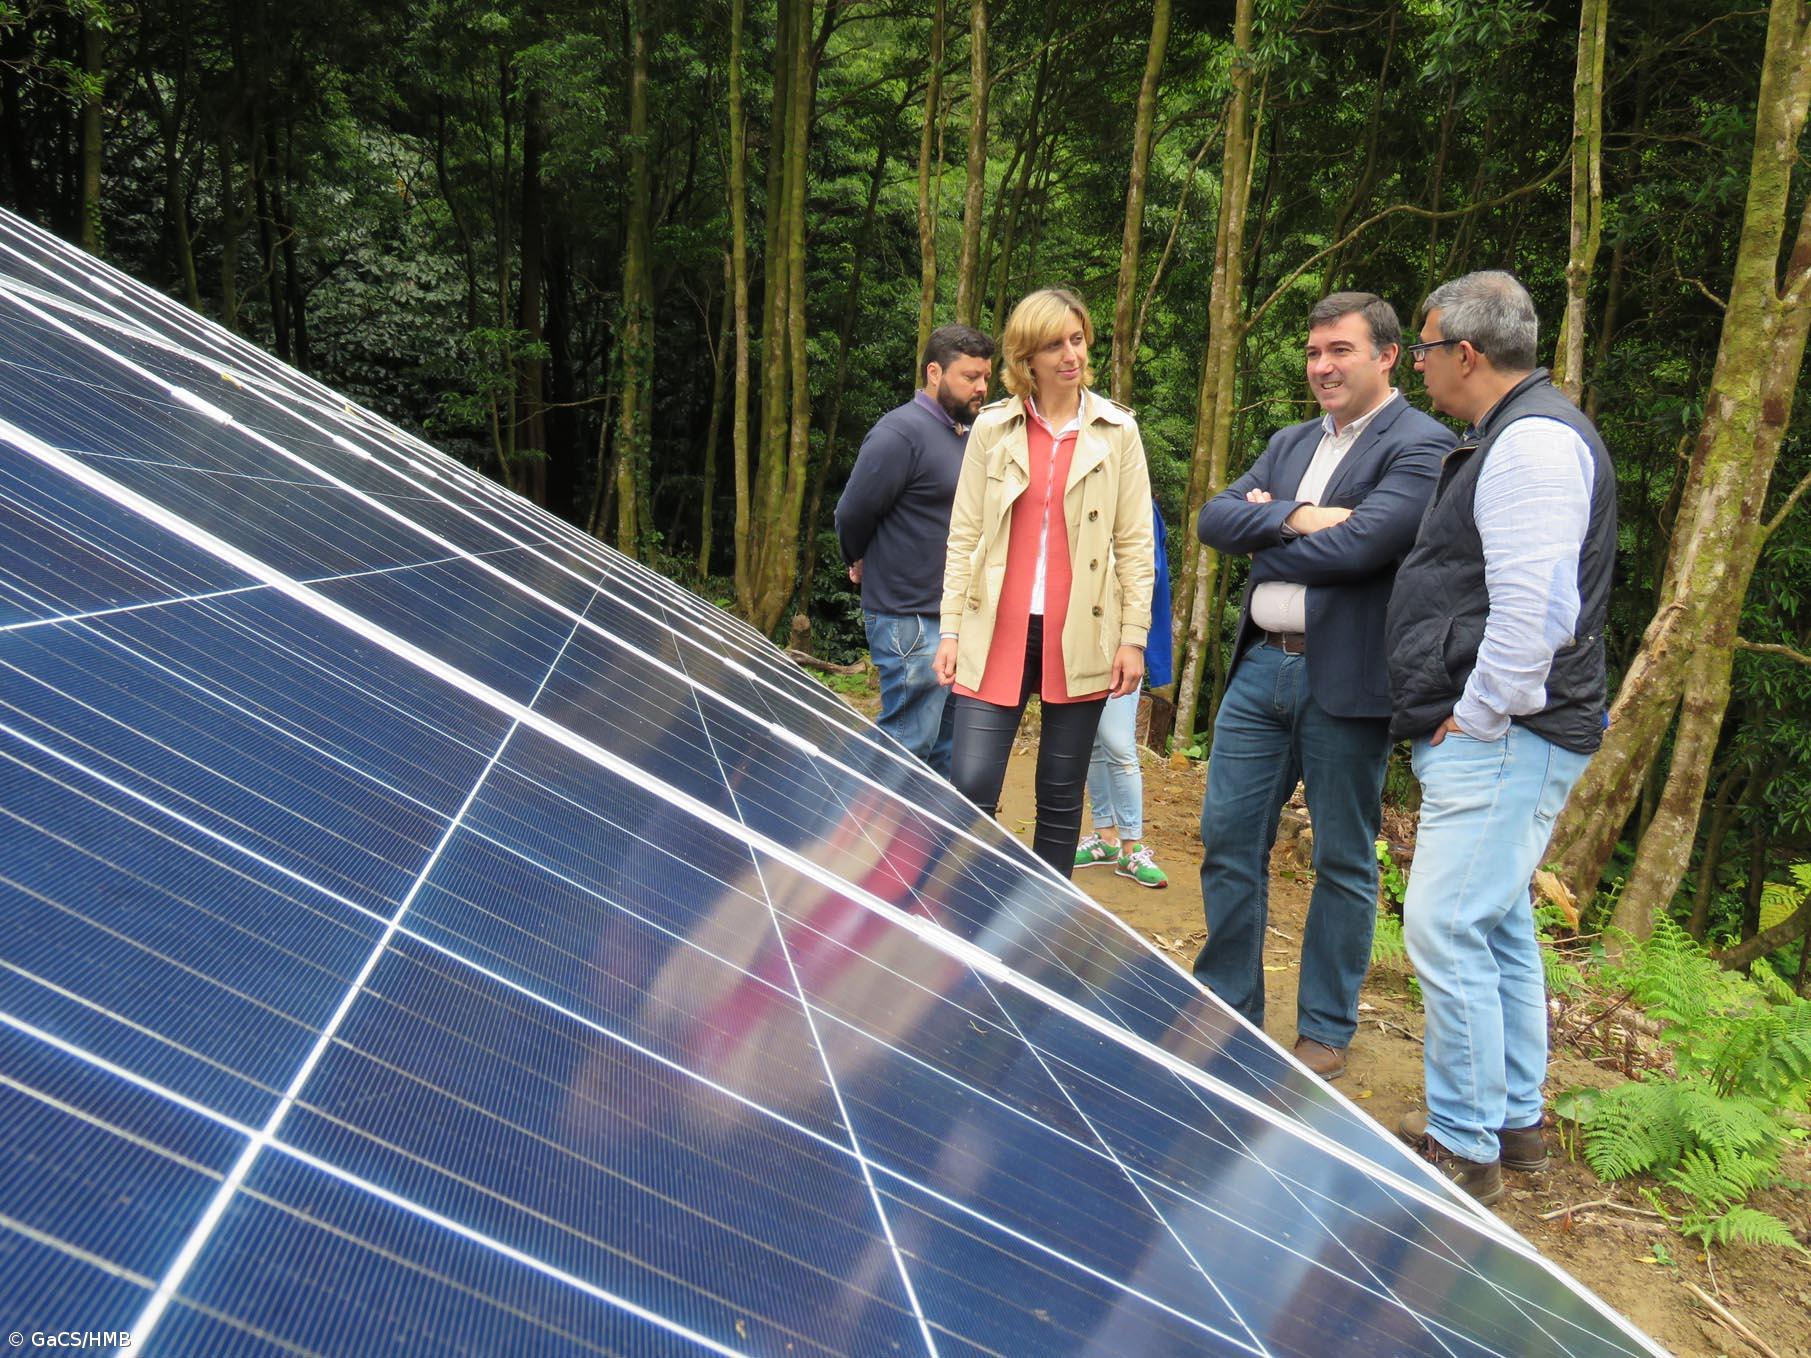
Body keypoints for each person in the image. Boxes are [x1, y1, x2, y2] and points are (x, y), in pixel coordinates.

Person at [1388, 270, 1615, 1205]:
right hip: (1516, 730)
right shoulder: (1518, 432)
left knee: (1443, 927)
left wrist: (1475, 715)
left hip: (1508, 732)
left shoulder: (1531, 445)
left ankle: (1462, 1144)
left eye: (1423, 350)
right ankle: (1514, 1120)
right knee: (1499, 923)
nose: (1418, 367)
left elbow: (1534, 615)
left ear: (1465, 353)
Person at [1193, 292, 1451, 1080]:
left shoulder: (1422, 444)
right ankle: (1225, 1005)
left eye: (1339, 350)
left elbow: (1363, 547)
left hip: (1346, 678)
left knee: (1342, 857)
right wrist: (1307, 517)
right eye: (1312, 353)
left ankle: (1325, 1029)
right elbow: (1211, 518)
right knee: (1227, 838)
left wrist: (1267, 527)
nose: (1321, 367)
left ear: (1386, 356)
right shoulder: (1290, 441)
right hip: (1258, 670)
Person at [933, 288, 1154, 879]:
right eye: (1054, 344)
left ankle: (1048, 920)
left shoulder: (1118, 431)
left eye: (1077, 340)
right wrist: (950, 630)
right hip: (994, 628)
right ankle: (968, 908)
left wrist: (1133, 637)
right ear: (1026, 355)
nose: (1070, 355)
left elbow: (1136, 544)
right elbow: (964, 535)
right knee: (970, 783)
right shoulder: (992, 428)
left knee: (1059, 793)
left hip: (1080, 634)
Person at [836, 324, 996, 776]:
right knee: (907, 745)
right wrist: (856, 556)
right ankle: (862, 820)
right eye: (970, 377)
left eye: (986, 377)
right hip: (908, 617)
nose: (981, 387)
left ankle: (919, 827)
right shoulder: (899, 433)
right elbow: (852, 512)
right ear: (934, 372)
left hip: (953, 619)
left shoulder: (969, 435)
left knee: (945, 753)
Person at [1075, 501, 1172, 888]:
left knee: (1118, 743)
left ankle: (1132, 845)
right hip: (1081, 636)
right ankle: (1105, 836)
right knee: (1094, 741)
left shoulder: (1140, 506)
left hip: (1121, 638)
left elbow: (1148, 574)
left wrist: (1133, 641)